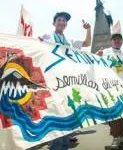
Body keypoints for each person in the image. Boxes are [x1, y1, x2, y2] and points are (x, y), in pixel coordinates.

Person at [40, 11, 91, 150]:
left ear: (66, 24)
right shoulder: (47, 36)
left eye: (64, 21)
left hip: (66, 84)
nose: (62, 22)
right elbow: (34, 46)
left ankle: (63, 145)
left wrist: (88, 29)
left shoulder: (70, 42)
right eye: (59, 20)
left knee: (65, 115)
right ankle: (55, 146)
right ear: (54, 23)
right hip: (52, 82)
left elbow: (87, 43)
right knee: (56, 116)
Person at [96, 31, 123, 149]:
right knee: (115, 113)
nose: (117, 41)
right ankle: (115, 138)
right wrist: (97, 55)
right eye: (115, 39)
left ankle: (122, 136)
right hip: (111, 87)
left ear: (122, 41)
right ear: (111, 41)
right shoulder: (106, 52)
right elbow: (94, 60)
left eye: (119, 39)